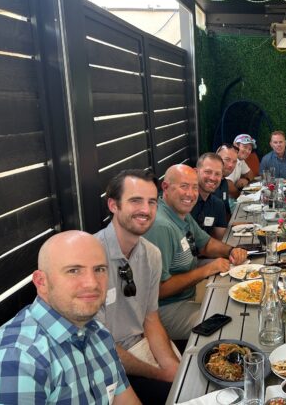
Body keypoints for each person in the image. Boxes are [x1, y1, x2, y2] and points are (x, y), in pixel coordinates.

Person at [0, 231, 140, 404]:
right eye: (74, 270)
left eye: (99, 269)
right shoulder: (19, 358)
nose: (92, 283)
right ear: (41, 282)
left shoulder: (99, 334)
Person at [94, 170, 179, 404]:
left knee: (191, 383)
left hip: (140, 345)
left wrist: (175, 370)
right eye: (135, 201)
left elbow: (151, 320)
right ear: (113, 205)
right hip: (104, 363)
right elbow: (99, 346)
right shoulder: (92, 258)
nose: (145, 209)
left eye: (152, 202)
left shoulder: (151, 254)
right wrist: (161, 374)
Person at [143, 164, 247, 340]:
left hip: (188, 293)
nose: (191, 194)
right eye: (184, 186)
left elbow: (206, 244)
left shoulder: (179, 213)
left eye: (194, 187)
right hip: (165, 310)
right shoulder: (161, 226)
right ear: (165, 187)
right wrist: (206, 270)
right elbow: (158, 290)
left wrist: (232, 250)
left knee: (237, 290)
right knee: (232, 323)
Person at [192, 153, 228, 240]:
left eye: (217, 174)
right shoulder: (187, 201)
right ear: (196, 172)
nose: (212, 178)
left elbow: (221, 240)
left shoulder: (218, 205)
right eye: (208, 172)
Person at [216, 143, 237, 216]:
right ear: (216, 158)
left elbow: (226, 213)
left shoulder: (224, 183)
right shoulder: (209, 184)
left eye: (234, 162)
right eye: (227, 159)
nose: (231, 165)